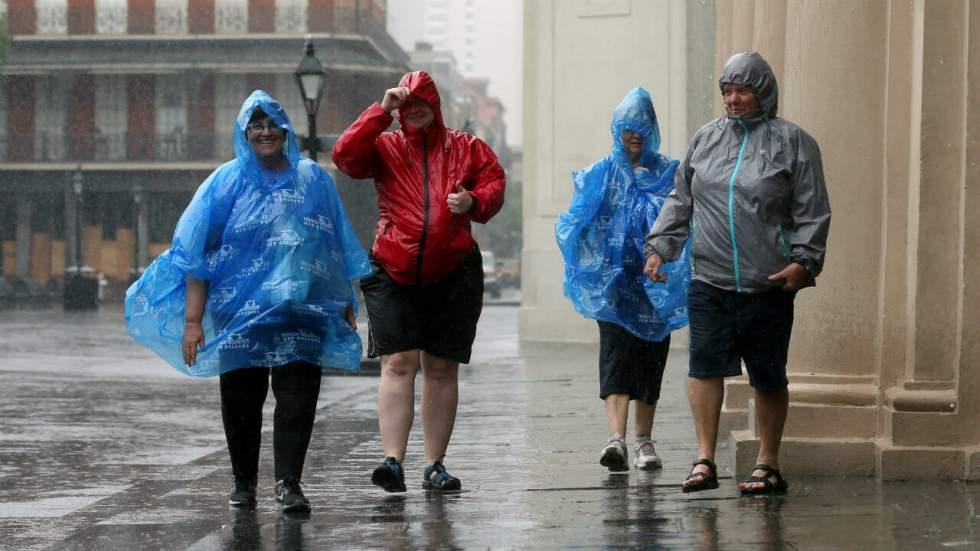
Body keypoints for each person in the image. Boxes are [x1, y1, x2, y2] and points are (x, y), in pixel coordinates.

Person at [125, 90, 371, 512]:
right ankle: (243, 483)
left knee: (297, 397)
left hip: (302, 309)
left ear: (285, 129)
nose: (265, 132)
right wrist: (193, 321)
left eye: (272, 124)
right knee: (241, 397)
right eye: (255, 125)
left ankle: (288, 482)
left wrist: (345, 301)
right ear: (244, 133)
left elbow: (334, 246)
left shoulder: (314, 179)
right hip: (239, 312)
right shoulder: (224, 182)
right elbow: (195, 253)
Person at [644, 51, 831, 494]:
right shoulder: (705, 140)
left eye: (742, 90)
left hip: (768, 283)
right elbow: (680, 199)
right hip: (708, 281)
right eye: (727, 90)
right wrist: (660, 248)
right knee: (704, 368)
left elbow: (812, 209)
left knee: (767, 375)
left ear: (762, 91)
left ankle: (768, 463)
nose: (733, 98)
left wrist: (804, 263)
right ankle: (704, 459)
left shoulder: (794, 143)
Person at [332, 71, 506, 492]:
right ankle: (392, 461)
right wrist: (380, 110)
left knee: (442, 367)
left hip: (453, 269)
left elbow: (495, 182)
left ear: (435, 103)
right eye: (406, 105)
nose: (414, 110)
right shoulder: (385, 145)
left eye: (421, 102)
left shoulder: (466, 147)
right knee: (398, 362)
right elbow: (345, 156)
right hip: (393, 267)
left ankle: (434, 465)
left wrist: (474, 201)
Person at [556, 87, 690, 473]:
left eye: (642, 126)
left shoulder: (669, 173)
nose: (635, 134)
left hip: (655, 282)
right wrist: (588, 264)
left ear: (653, 130)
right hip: (613, 285)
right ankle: (616, 440)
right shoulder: (601, 174)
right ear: (616, 129)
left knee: (651, 357)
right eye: (628, 127)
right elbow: (575, 222)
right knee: (615, 355)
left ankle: (644, 441)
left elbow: (683, 218)